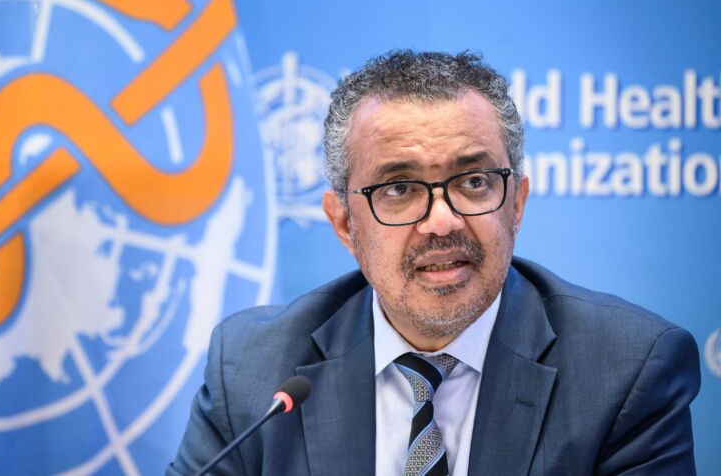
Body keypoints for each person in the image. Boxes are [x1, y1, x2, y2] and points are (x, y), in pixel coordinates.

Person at [167, 50, 700, 475]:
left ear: (517, 203)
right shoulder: (251, 373)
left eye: (473, 182)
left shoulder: (626, 372)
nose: (442, 221)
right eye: (399, 188)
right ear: (344, 223)